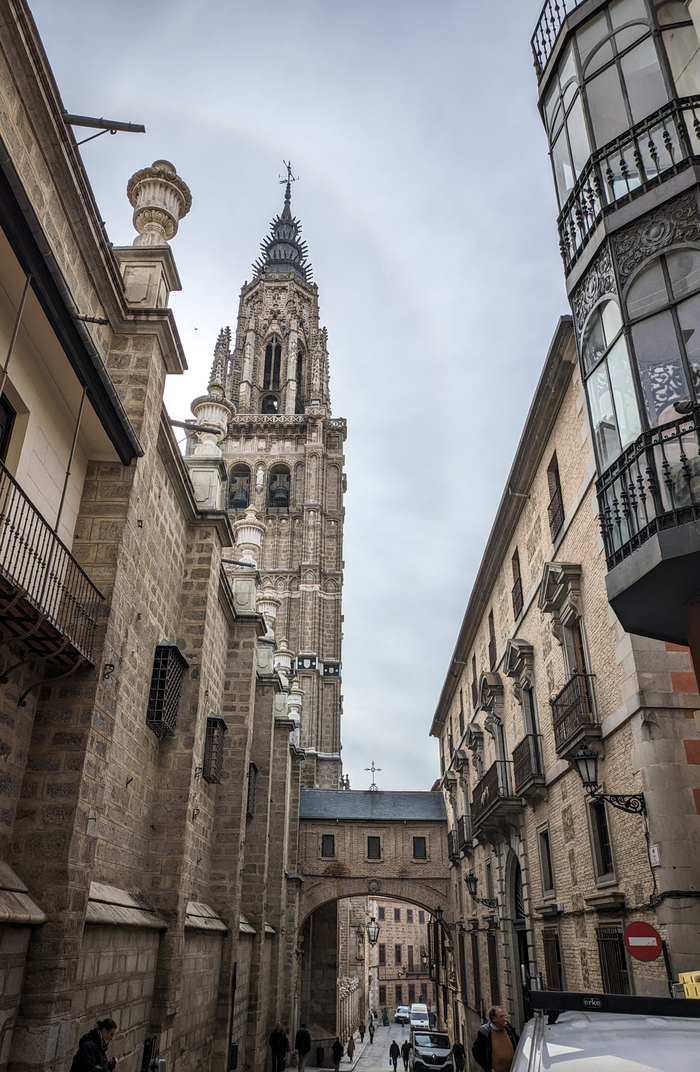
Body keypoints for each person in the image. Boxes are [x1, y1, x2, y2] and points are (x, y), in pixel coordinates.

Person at [471, 1006, 519, 1072]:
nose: (504, 1019)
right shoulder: (485, 1032)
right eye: (501, 1017)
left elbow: (518, 1043)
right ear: (494, 1019)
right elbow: (476, 1052)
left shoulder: (508, 1028)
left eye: (504, 1016)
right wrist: (488, 1068)